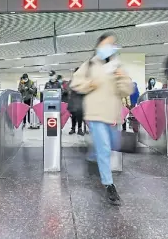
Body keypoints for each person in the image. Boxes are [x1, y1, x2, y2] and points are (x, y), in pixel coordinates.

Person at [70, 31, 133, 205]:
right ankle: (109, 185)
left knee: (112, 144)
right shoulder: (90, 64)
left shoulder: (118, 66)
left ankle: (93, 153)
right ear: (99, 46)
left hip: (113, 114)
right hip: (96, 112)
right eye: (106, 44)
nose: (109, 47)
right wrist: (90, 84)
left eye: (112, 44)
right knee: (105, 148)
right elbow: (75, 83)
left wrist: (121, 79)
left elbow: (127, 90)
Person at [68, 68, 84, 136]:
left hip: (80, 101)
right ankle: (73, 128)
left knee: (80, 116)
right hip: (73, 101)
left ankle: (80, 129)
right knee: (73, 116)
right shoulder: (72, 81)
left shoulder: (83, 81)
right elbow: (69, 89)